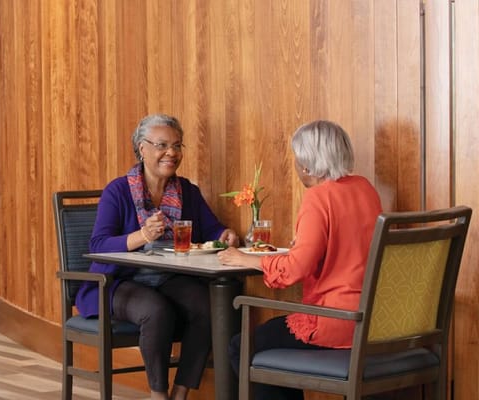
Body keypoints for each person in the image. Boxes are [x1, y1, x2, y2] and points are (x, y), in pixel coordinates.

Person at [77, 114, 239, 400]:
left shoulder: (187, 191)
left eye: (177, 146)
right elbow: (98, 244)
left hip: (168, 276)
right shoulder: (117, 191)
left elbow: (212, 229)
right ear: (142, 148)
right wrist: (142, 236)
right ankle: (158, 395)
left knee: (209, 305)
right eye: (163, 145)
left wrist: (225, 233)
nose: (172, 153)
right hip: (118, 280)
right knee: (156, 310)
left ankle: (181, 392)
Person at [218, 120, 383, 400]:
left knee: (240, 346)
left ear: (306, 167)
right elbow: (353, 245)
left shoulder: (318, 198)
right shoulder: (365, 188)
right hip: (374, 320)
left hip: (337, 320)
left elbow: (296, 268)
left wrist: (246, 258)